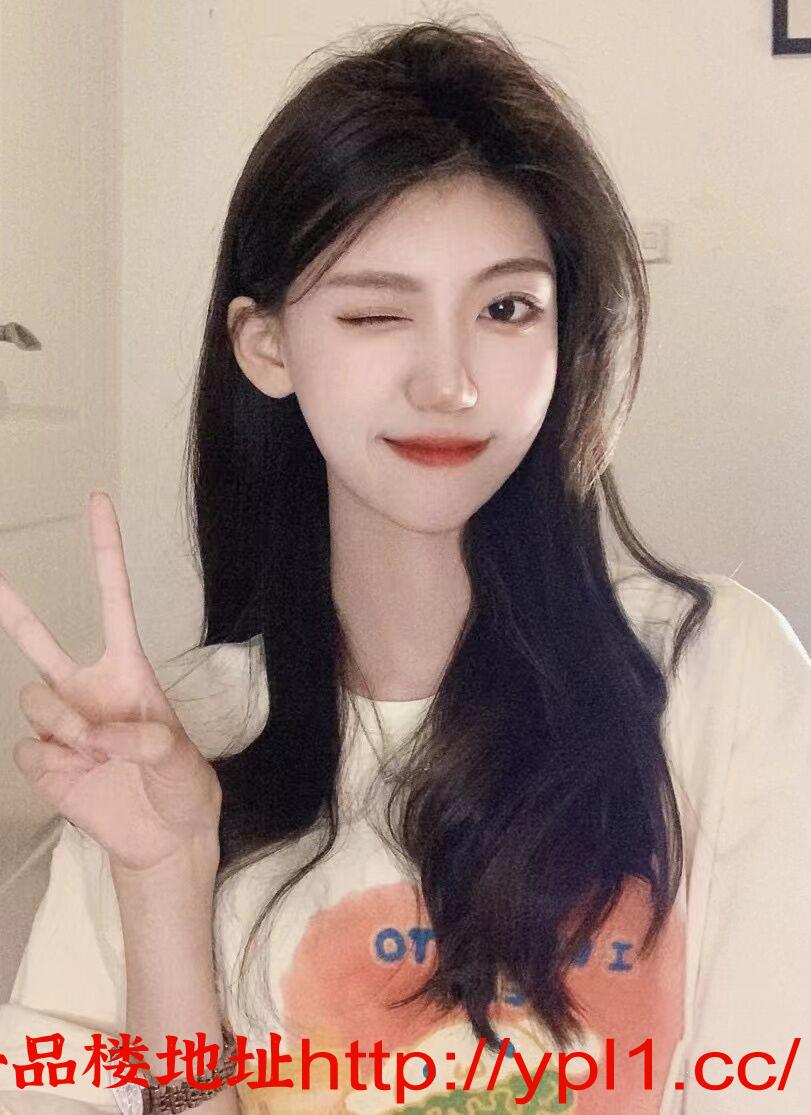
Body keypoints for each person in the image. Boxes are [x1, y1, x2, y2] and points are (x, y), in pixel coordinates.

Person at [0, 15, 809, 1115]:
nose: (448, 382)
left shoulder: (720, 678)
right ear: (267, 346)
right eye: (378, 310)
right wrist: (160, 879)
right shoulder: (166, 744)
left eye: (505, 308)